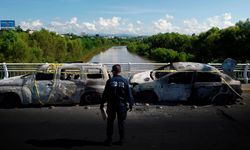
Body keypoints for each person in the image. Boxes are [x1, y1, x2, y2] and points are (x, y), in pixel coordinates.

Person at [100, 64, 134, 146]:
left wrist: (102, 104)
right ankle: (121, 140)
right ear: (120, 71)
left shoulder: (110, 81)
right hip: (122, 105)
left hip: (111, 105)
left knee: (110, 123)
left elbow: (105, 94)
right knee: (121, 123)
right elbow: (129, 95)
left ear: (113, 72)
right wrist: (131, 104)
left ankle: (109, 140)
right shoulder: (125, 81)